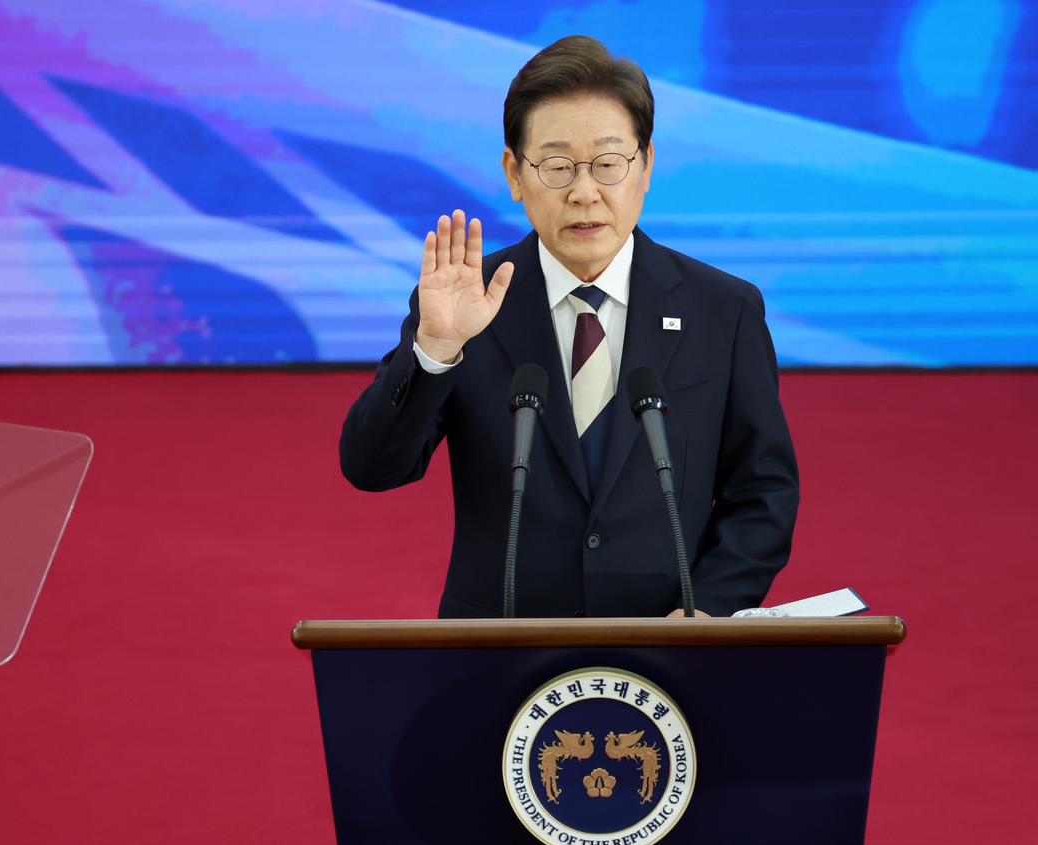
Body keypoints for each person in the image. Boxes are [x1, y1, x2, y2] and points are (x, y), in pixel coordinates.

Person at [340, 36, 799, 618]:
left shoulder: (722, 310)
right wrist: (436, 349)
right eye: (557, 167)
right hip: (499, 647)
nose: (585, 193)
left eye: (608, 164)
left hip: (666, 648)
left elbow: (762, 493)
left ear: (646, 166)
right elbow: (373, 468)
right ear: (515, 174)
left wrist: (706, 612)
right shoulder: (466, 301)